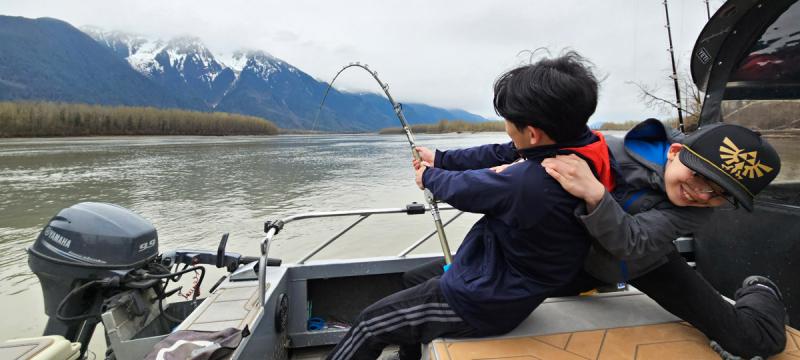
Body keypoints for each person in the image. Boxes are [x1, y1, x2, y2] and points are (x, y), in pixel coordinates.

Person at [407, 118, 787, 359]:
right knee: (421, 280)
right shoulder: (605, 148)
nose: (702, 196)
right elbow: (516, 147)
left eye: (719, 194)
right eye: (699, 178)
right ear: (676, 152)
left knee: (753, 341)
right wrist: (443, 159)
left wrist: (594, 193)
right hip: (570, 258)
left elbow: (633, 242)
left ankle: (761, 289)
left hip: (643, 259)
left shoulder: (694, 211)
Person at [325, 52, 616, 360]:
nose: (506, 127)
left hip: (484, 300)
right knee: (413, 278)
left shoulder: (530, 183)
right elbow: (498, 153)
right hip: (507, 273)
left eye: (508, 121)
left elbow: (467, 190)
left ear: (532, 134)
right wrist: (440, 159)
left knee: (369, 325)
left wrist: (430, 177)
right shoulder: (581, 146)